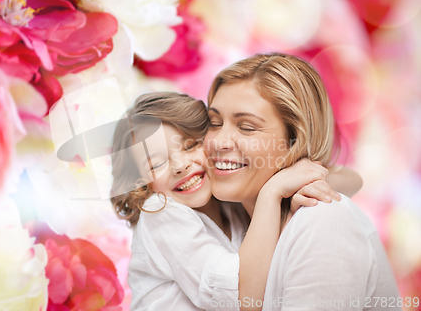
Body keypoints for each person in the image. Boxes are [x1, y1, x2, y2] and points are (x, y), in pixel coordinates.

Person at [110, 92, 360, 310]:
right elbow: (243, 300)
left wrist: (289, 172)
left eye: (190, 146)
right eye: (156, 164)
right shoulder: (160, 212)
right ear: (141, 184)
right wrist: (273, 190)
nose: (180, 166)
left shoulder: (227, 198)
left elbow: (351, 181)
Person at [205, 52, 400, 310]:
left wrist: (272, 191)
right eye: (214, 123)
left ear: (294, 140)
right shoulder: (228, 217)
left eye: (247, 127)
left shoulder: (322, 221)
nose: (218, 142)